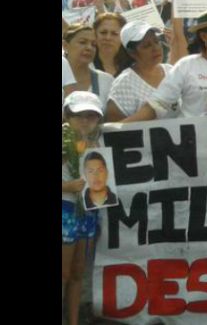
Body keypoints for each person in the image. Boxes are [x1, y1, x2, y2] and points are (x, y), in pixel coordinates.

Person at [123, 10, 207, 120]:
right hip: (194, 143)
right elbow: (158, 104)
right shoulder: (186, 65)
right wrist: (119, 127)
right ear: (204, 36)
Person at [62, 91, 103, 325]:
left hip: (88, 211)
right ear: (67, 115)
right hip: (64, 209)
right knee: (63, 273)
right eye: (79, 115)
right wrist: (66, 186)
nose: (85, 121)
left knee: (78, 271)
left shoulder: (97, 144)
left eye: (91, 116)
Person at [105, 21, 180, 121]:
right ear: (132, 53)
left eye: (156, 41)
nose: (156, 48)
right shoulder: (124, 83)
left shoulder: (171, 71)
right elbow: (114, 126)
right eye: (147, 46)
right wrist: (149, 112)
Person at [63, 23, 115, 111]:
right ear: (65, 46)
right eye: (82, 42)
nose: (89, 48)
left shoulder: (106, 80)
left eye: (93, 44)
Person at [93, 13, 132, 77]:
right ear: (94, 34)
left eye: (114, 33)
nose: (108, 38)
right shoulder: (86, 63)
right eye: (103, 32)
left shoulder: (133, 61)